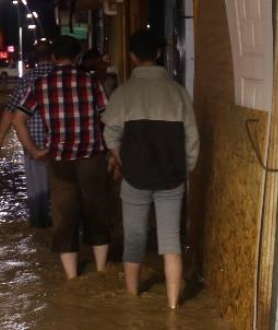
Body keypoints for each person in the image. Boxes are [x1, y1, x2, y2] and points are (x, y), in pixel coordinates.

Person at [102, 29, 200, 309]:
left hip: (134, 178)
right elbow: (192, 139)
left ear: (132, 56)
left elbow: (110, 135)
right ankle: (172, 307)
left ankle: (132, 301)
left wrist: (122, 161)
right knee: (170, 241)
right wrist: (186, 168)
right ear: (159, 54)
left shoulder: (124, 93)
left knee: (134, 238)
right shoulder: (178, 92)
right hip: (172, 177)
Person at [12, 35, 111, 279]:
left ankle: (72, 278)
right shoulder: (91, 81)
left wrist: (35, 150)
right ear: (78, 57)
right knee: (95, 211)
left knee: (64, 216)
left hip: (59, 159)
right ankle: (100, 272)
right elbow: (108, 117)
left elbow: (18, 119)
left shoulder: (40, 85)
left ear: (54, 57)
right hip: (91, 156)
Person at [0, 41, 54, 229]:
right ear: (53, 56)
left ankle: (39, 235)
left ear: (34, 59)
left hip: (34, 143)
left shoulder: (27, 79)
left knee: (38, 195)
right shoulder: (64, 76)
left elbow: (10, 112)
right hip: (64, 142)